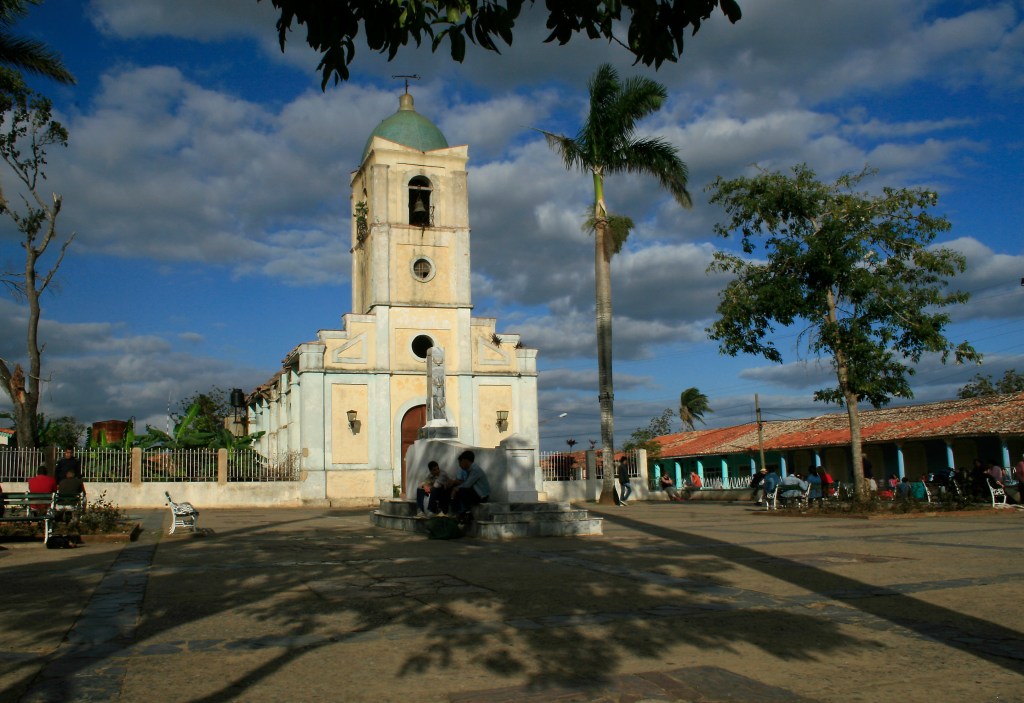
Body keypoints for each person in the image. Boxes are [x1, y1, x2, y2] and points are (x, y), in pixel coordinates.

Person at [451, 450, 489, 521]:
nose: (460, 465)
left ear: (465, 460)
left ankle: (467, 513)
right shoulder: (470, 469)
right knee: (455, 489)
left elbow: (467, 485)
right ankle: (459, 512)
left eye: (460, 462)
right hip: (476, 493)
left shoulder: (475, 470)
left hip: (482, 496)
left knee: (461, 491)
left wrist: (456, 489)